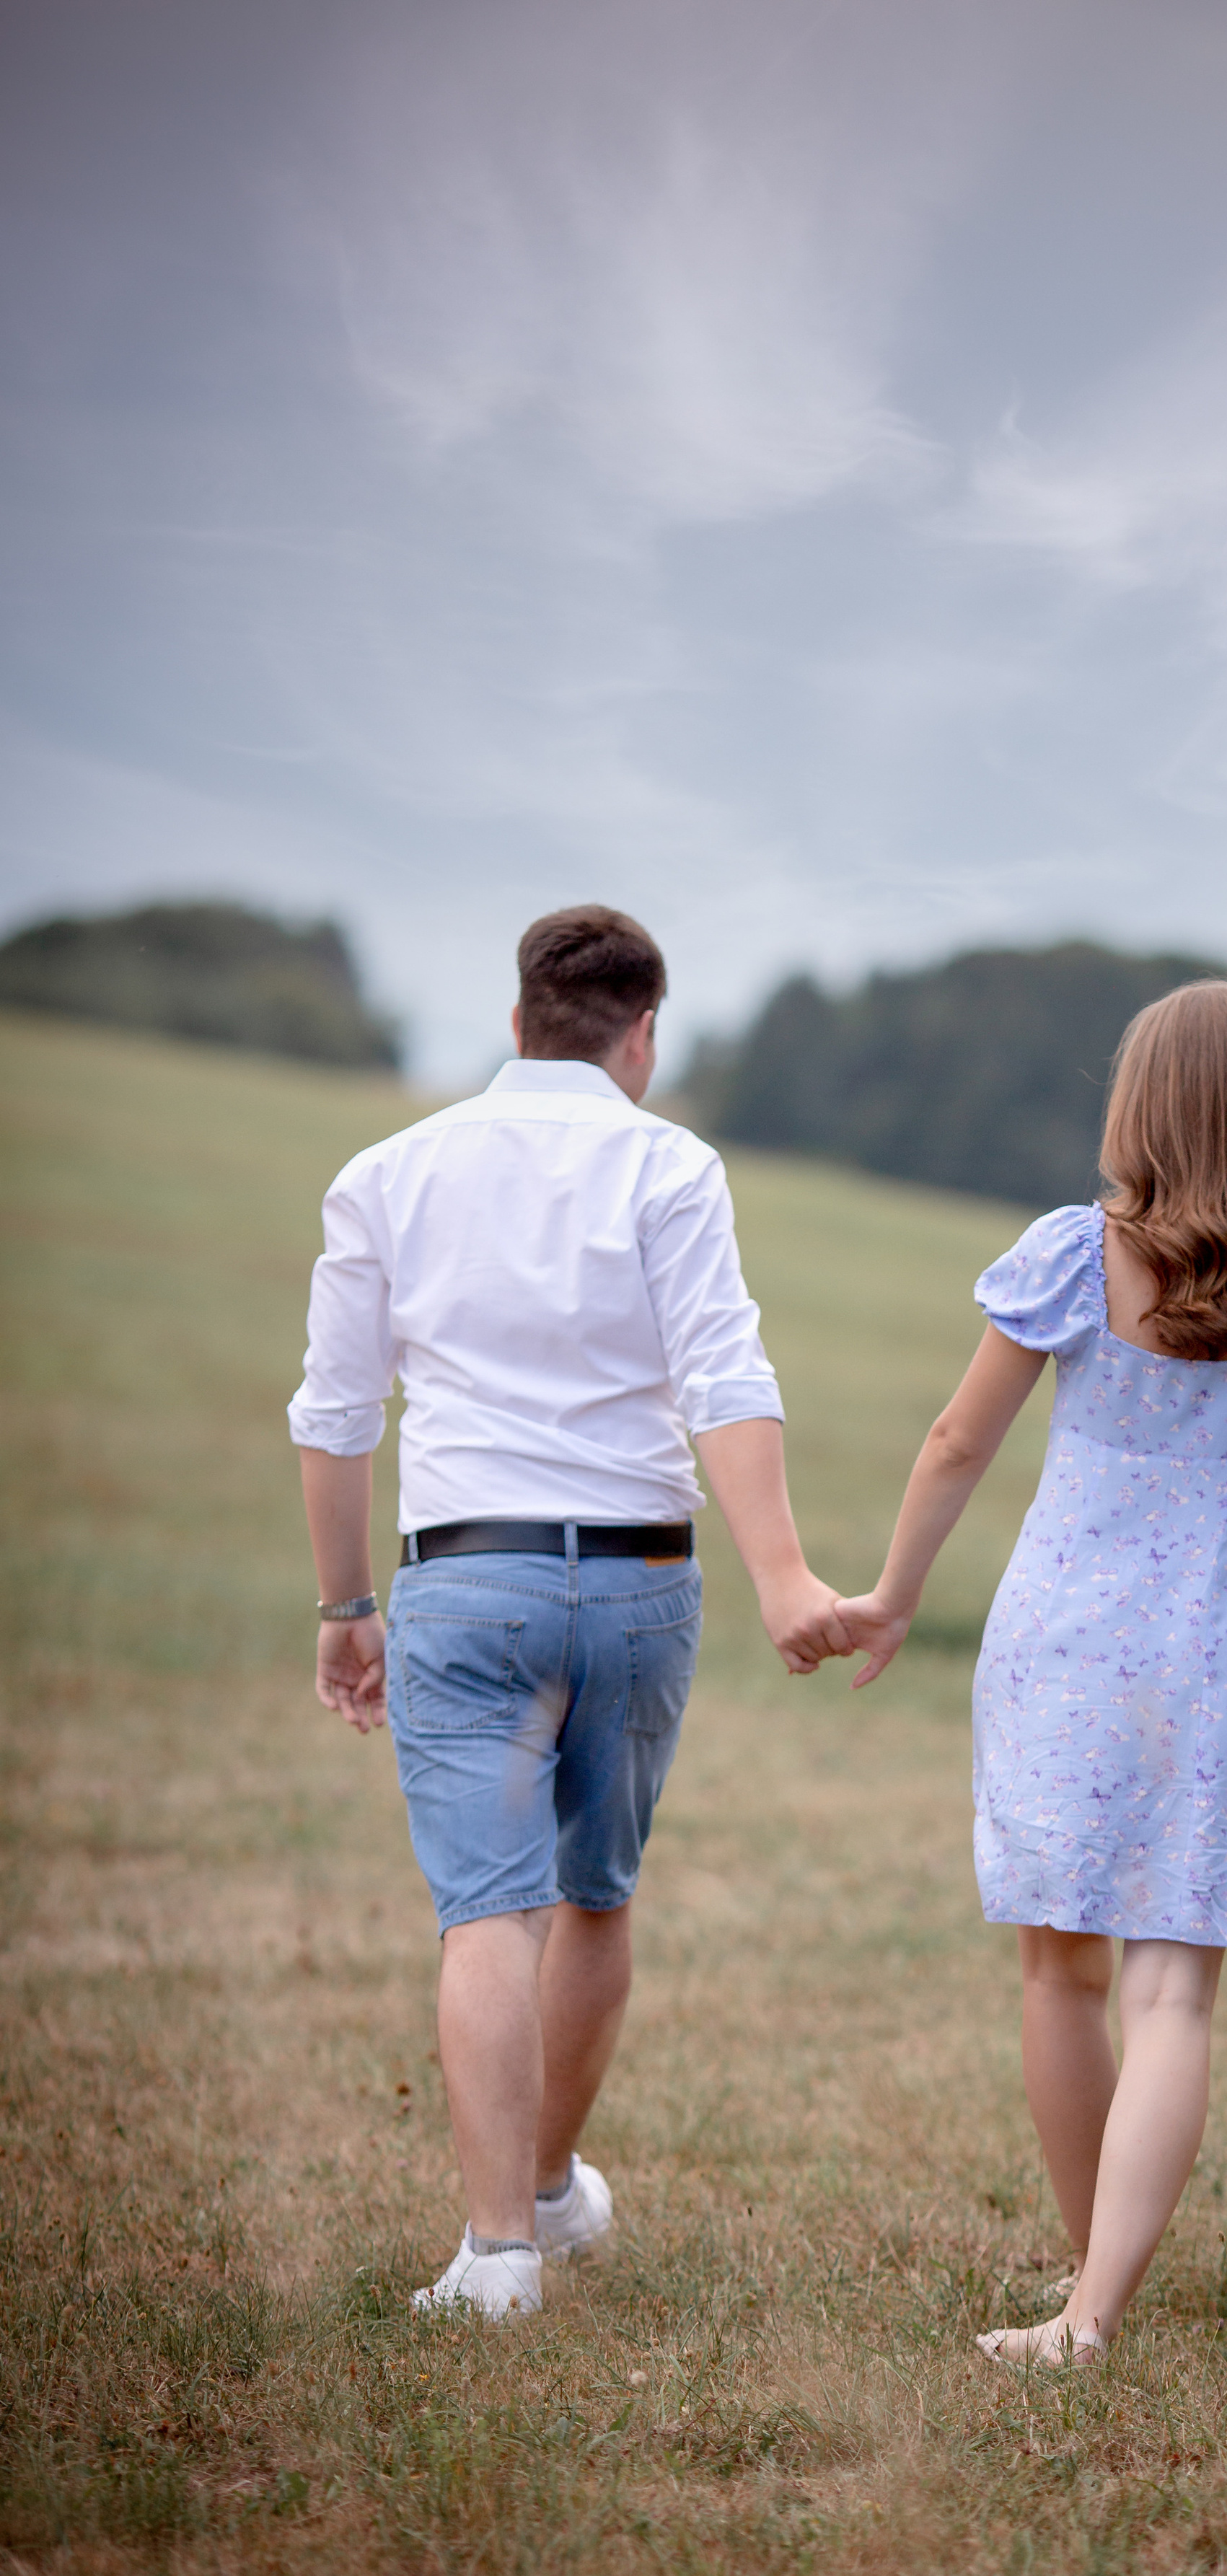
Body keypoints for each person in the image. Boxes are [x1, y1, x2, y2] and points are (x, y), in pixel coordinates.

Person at [288, 904, 850, 2319]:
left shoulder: (389, 1173)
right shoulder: (670, 1166)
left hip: (465, 1578)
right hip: (640, 1582)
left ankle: (498, 2258)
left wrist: (343, 1603)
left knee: (489, 1912)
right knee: (592, 1898)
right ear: (639, 1032)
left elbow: (337, 1415)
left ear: (519, 1015)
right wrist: (783, 1574)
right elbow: (725, 1377)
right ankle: (545, 2184)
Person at [838, 980, 1227, 2365]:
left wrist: (894, 1597)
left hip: (1059, 1649)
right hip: (1211, 1665)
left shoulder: (1069, 1256)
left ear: (1141, 1105)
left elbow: (953, 1443)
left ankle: (1084, 2295)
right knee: (1175, 1997)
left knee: (1061, 1978)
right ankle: (1094, 2304)